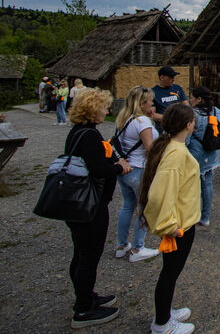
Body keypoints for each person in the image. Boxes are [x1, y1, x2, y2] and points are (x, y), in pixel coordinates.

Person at [63, 88, 132, 328]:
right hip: (89, 205)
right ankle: (83, 310)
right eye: (104, 107)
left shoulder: (79, 132)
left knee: (81, 253)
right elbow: (98, 169)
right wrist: (119, 167)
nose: (107, 111)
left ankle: (85, 296)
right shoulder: (89, 135)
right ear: (93, 109)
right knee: (88, 256)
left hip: (78, 204)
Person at [139, 104, 200, 334]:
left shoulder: (173, 147)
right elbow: (159, 194)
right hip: (179, 226)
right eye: (193, 120)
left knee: (171, 271)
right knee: (170, 272)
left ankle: (165, 311)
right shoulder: (175, 154)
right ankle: (162, 324)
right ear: (188, 125)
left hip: (184, 221)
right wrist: (169, 225)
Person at [114, 86, 161, 263]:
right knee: (144, 208)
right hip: (140, 169)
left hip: (126, 169)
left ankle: (121, 245)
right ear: (142, 104)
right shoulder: (143, 122)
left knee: (127, 206)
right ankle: (138, 248)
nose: (153, 105)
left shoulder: (124, 119)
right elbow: (149, 149)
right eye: (150, 102)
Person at [186, 86, 220, 227]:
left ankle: (191, 214)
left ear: (199, 99)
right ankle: (205, 216)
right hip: (211, 152)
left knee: (190, 185)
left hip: (195, 152)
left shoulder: (192, 114)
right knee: (207, 185)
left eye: (192, 97)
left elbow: (187, 137)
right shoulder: (216, 112)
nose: (190, 100)